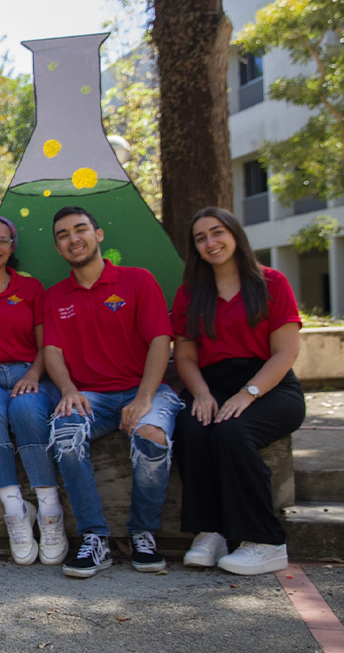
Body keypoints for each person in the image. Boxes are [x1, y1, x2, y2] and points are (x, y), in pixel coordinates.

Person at [44, 205, 183, 578]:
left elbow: (160, 340)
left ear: (98, 234)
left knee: (152, 437)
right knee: (65, 435)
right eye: (63, 235)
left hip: (148, 391)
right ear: (58, 248)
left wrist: (143, 398)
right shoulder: (55, 296)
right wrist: (68, 389)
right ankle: (95, 538)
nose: (73, 239)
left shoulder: (138, 280)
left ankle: (143, 533)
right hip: (93, 396)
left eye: (80, 229)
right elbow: (52, 350)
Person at [172, 207, 305, 575]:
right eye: (201, 238)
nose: (211, 242)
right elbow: (184, 356)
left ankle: (265, 541)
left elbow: (285, 352)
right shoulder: (190, 294)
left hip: (269, 385)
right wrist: (200, 393)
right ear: (195, 248)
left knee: (233, 432)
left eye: (217, 233)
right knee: (190, 428)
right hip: (211, 384)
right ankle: (210, 532)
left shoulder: (271, 282)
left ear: (234, 235)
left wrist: (248, 393)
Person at [0, 215, 66, 566]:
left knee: (24, 410)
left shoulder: (31, 289)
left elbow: (45, 344)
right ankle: (16, 512)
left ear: (12, 247)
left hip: (29, 373)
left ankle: (50, 512)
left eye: (3, 241)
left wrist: (34, 375)